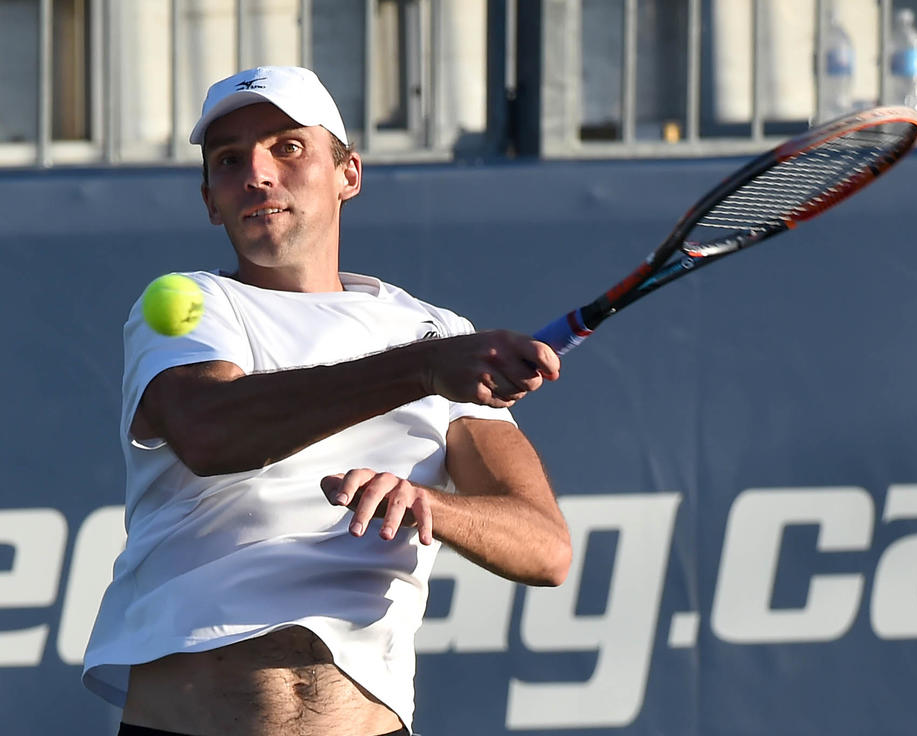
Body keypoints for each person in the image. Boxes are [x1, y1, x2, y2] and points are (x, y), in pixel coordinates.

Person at [82, 65, 571, 736]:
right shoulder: (190, 304)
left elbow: (545, 547)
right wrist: (424, 371)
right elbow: (210, 431)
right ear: (211, 201)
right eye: (229, 161)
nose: (257, 174)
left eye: (287, 147)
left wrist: (431, 505)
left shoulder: (438, 332)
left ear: (349, 174)